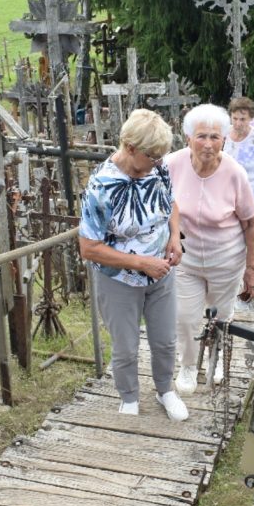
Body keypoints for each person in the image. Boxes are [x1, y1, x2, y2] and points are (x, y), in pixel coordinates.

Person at [79, 109, 189, 421]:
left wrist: (174, 239)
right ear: (130, 148)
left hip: (161, 273)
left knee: (165, 340)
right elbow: (89, 247)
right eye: (153, 156)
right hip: (119, 279)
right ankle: (128, 396)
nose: (158, 161)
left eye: (161, 156)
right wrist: (141, 263)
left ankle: (165, 389)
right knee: (126, 347)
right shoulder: (101, 186)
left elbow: (170, 203)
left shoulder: (157, 167)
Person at [166, 104, 254, 394]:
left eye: (215, 137)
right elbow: (161, 206)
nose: (208, 144)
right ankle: (188, 366)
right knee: (185, 316)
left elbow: (253, 222)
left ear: (224, 140)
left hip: (226, 258)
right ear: (188, 138)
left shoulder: (235, 172)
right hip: (186, 256)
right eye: (201, 136)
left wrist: (252, 267)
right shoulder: (170, 165)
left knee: (221, 315)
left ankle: (216, 359)